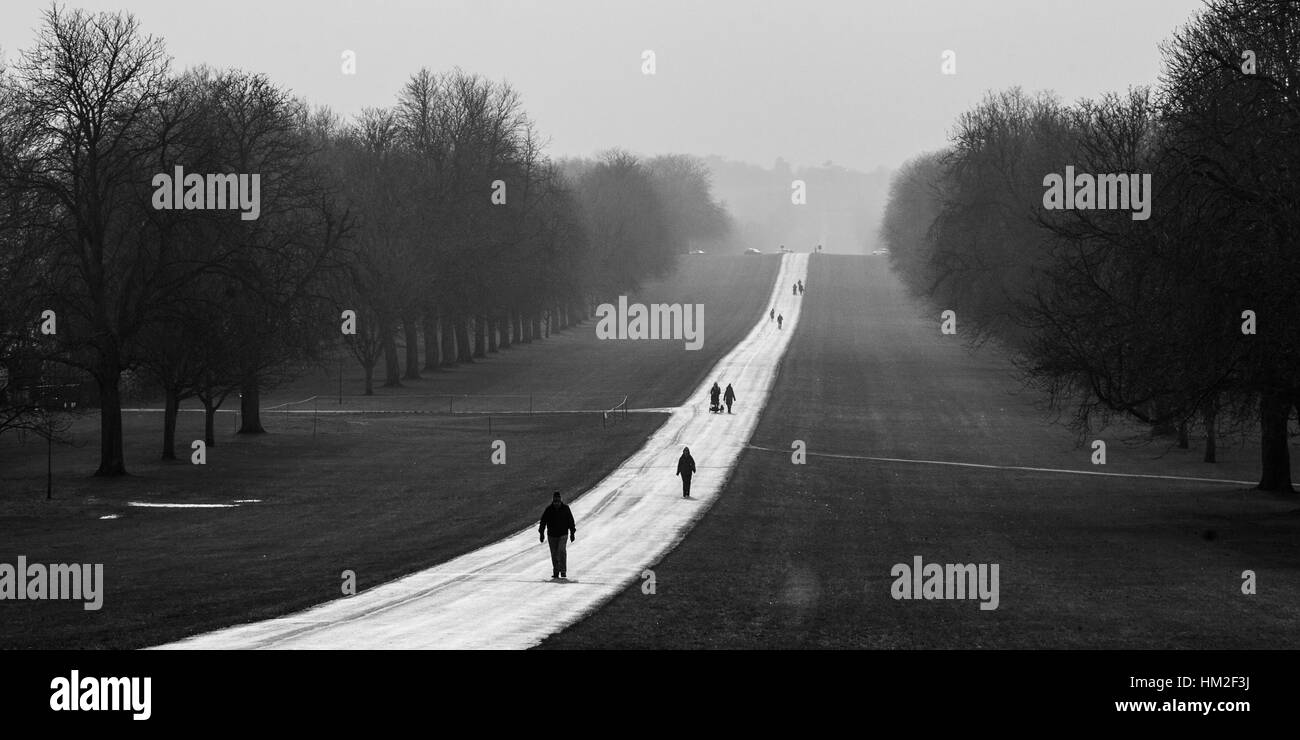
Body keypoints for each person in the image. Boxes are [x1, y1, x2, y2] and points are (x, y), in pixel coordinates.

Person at [538, 491, 576, 579]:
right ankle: (556, 571)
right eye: (555, 501)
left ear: (560, 500)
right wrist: (541, 533)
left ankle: (563, 570)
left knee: (561, 551)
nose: (556, 503)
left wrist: (572, 533)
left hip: (563, 534)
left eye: (558, 501)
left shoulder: (566, 509)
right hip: (552, 535)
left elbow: (571, 521)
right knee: (554, 553)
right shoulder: (549, 510)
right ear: (553, 501)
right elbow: (543, 522)